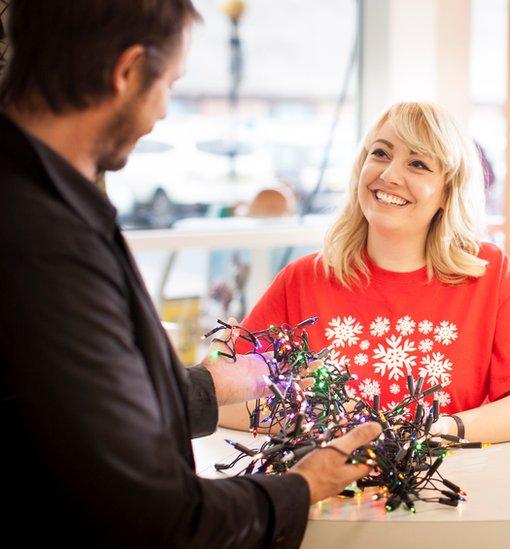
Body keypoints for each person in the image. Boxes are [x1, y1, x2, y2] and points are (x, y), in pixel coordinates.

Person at [0, 1, 379, 547]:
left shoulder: (40, 206)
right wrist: (301, 486)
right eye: (170, 87)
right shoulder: (43, 243)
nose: (161, 114)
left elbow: (69, 411)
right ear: (127, 72)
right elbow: (153, 514)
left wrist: (206, 386)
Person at [220, 102, 510, 443]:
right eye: (381, 153)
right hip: (327, 488)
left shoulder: (489, 274)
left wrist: (441, 429)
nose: (389, 175)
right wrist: (320, 423)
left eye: (418, 163)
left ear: (447, 191)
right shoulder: (303, 279)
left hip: (451, 487)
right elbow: (220, 399)